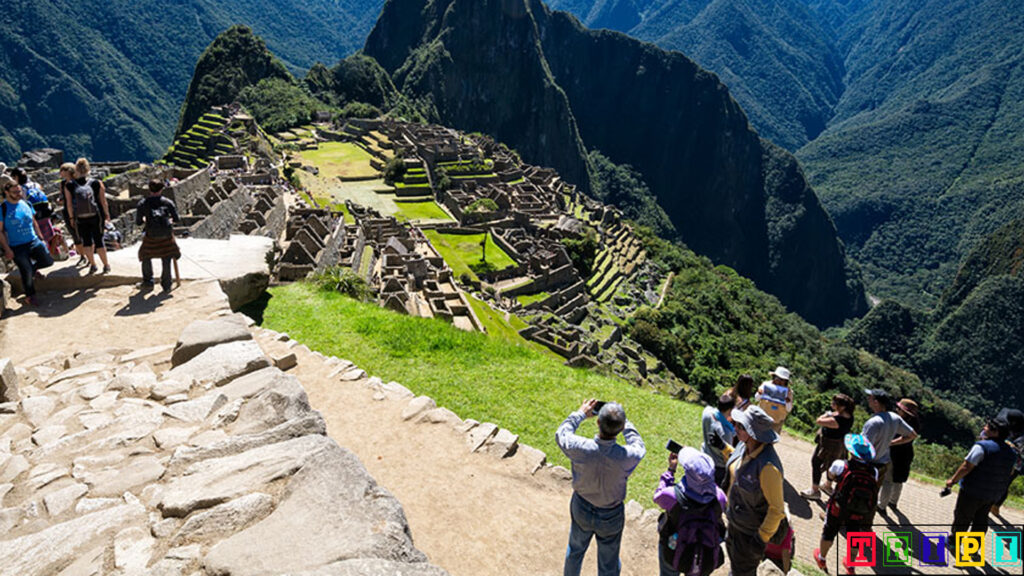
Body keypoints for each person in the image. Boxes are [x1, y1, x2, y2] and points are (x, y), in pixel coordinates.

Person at [557, 399, 646, 576]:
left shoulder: (580, 448)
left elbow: (562, 433)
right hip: (611, 515)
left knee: (575, 551)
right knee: (608, 564)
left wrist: (581, 413)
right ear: (620, 430)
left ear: (597, 422)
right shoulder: (626, 456)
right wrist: (624, 422)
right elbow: (639, 446)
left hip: (581, 506)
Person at [725, 406, 785, 576]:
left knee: (742, 572)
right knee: (736, 567)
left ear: (753, 434)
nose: (735, 427)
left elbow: (777, 509)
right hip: (736, 523)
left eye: (741, 426)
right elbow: (738, 465)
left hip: (749, 534)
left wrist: (760, 539)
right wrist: (724, 448)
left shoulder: (768, 467)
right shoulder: (745, 446)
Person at [946, 416, 1016, 555]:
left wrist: (952, 480)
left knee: (962, 517)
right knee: (981, 520)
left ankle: (954, 542)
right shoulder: (1011, 453)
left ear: (995, 432)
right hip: (992, 494)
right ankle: (972, 549)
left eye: (987, 427)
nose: (984, 428)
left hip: (972, 491)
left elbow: (967, 466)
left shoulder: (982, 446)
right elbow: (1010, 472)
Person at [812, 434, 880, 576]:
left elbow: (830, 477)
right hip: (859, 509)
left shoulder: (841, 465)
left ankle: (821, 558)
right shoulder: (874, 471)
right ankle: (850, 565)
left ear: (851, 452)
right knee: (854, 534)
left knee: (829, 531)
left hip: (838, 506)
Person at [653, 447, 726, 576]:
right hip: (704, 552)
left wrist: (670, 471)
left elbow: (658, 496)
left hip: (673, 548)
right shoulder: (719, 497)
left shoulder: (672, 496)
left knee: (668, 571)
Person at [1, 175, 54, 306]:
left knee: (48, 261)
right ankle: (30, 296)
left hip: (32, 240)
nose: (19, 194)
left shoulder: (26, 203)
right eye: (15, 192)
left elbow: (34, 221)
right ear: (6, 192)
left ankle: (32, 270)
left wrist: (41, 238)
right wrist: (7, 249)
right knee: (26, 271)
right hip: (17, 245)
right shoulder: (3, 209)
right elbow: (0, 231)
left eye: (19, 191)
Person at [861, 389, 918, 512]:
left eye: (870, 398)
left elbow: (863, 446)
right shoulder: (899, 419)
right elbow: (912, 435)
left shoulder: (876, 421)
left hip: (879, 460)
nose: (868, 400)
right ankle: (890, 504)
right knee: (892, 482)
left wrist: (891, 443)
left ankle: (880, 507)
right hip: (893, 459)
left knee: (883, 483)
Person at [801, 393, 855, 499]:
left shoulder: (836, 420)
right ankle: (827, 486)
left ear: (842, 407)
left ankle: (815, 490)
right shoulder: (848, 416)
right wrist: (833, 413)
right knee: (831, 465)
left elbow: (819, 421)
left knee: (816, 462)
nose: (832, 404)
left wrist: (826, 414)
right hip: (839, 445)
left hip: (828, 445)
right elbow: (836, 414)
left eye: (835, 403)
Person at [64, 157, 110, 274]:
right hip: (96, 216)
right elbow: (103, 201)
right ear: (88, 169)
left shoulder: (69, 185)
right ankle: (106, 265)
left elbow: (69, 204)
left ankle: (93, 265)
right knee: (99, 240)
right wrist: (106, 214)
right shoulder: (96, 183)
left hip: (80, 218)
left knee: (86, 241)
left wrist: (71, 218)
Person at [135, 179, 181, 291]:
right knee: (167, 256)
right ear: (161, 189)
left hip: (151, 235)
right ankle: (166, 284)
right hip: (166, 235)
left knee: (145, 255)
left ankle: (148, 282)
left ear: (149, 189)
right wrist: (169, 220)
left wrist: (146, 219)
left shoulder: (143, 203)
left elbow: (138, 222)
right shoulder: (168, 202)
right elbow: (176, 219)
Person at [879, 398, 920, 511]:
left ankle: (881, 505)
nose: (897, 410)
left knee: (888, 480)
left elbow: (905, 438)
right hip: (906, 454)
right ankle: (893, 502)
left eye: (899, 409)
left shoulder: (902, 421)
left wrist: (890, 443)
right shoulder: (915, 421)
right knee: (898, 479)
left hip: (895, 454)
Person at [992, 408, 1024, 516]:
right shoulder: (1010, 424)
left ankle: (996, 506)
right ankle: (991, 505)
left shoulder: (1022, 435)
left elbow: (1020, 453)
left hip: (1015, 464)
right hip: (1003, 458)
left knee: (1005, 484)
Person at [701, 393, 736, 488]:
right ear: (730, 410)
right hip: (718, 468)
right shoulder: (725, 432)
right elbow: (726, 456)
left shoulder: (706, 413)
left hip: (704, 457)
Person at [58, 162, 85, 264]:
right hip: (69, 210)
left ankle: (85, 255)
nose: (60, 173)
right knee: (75, 234)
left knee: (80, 234)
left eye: (62, 170)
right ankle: (82, 255)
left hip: (76, 210)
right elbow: (62, 197)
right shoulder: (63, 183)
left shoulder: (76, 183)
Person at [757, 367, 794, 433]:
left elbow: (789, 409)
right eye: (778, 378)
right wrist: (759, 393)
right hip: (761, 419)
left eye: (782, 380)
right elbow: (756, 398)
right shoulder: (766, 385)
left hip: (776, 423)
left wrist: (788, 401)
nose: (779, 381)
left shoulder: (789, 392)